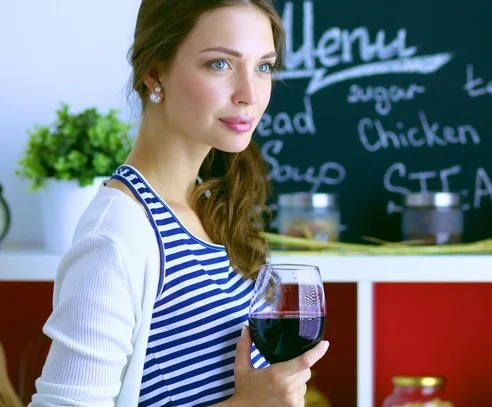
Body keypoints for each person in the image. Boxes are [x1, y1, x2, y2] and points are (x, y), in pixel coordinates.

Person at [29, 1, 330, 406]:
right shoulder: (118, 236)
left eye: (263, 67)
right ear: (154, 72)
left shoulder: (205, 207)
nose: (250, 94)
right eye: (220, 64)